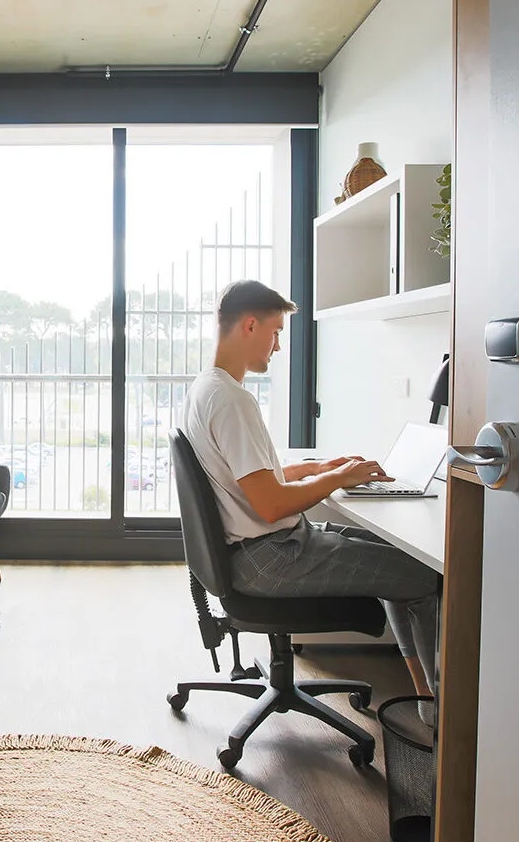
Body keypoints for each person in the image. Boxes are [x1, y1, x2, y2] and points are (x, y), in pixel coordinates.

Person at [182, 279, 438, 709]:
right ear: (249, 326)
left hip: (259, 550)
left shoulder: (206, 389)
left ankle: (425, 695)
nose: (278, 346)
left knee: (404, 563)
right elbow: (272, 503)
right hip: (271, 556)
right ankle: (440, 711)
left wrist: (321, 469)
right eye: (276, 332)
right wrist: (337, 481)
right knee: (425, 578)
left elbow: (258, 476)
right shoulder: (231, 401)